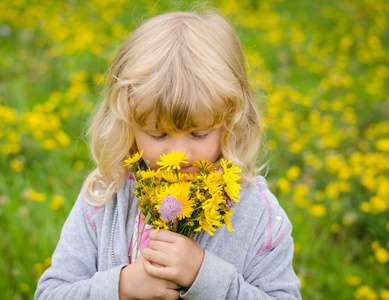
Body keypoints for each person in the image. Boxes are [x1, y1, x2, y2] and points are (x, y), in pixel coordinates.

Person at [35, 10, 301, 300]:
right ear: (129, 123)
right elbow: (51, 293)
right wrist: (122, 288)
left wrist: (204, 277)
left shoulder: (257, 215)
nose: (178, 153)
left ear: (232, 121)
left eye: (198, 133)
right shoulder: (105, 196)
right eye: (158, 134)